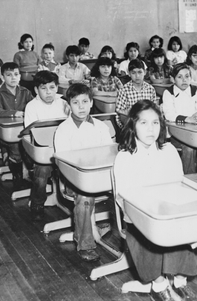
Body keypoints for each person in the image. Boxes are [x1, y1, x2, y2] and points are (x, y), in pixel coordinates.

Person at [113, 100, 197, 301]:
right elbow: (123, 196)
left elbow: (178, 184)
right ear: (133, 125)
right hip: (138, 215)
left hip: (167, 210)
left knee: (182, 228)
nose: (150, 129)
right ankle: (159, 283)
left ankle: (179, 280)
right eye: (143, 123)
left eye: (155, 123)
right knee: (146, 233)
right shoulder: (125, 156)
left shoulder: (168, 150)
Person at [54, 83, 114, 262]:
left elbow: (110, 153)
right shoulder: (64, 130)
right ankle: (85, 244)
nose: (81, 107)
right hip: (74, 180)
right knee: (85, 196)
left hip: (101, 177)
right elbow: (64, 163)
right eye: (75, 103)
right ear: (68, 105)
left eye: (85, 102)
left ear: (91, 103)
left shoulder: (101, 126)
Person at [24, 71, 69, 221]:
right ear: (36, 90)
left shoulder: (63, 102)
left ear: (57, 87)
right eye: (44, 88)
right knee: (41, 172)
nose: (49, 92)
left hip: (64, 148)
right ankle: (37, 203)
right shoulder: (31, 106)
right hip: (43, 150)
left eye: (52, 87)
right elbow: (32, 133)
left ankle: (72, 201)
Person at [0, 62, 33, 191]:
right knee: (15, 145)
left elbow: (34, 106)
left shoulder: (25, 92)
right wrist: (14, 113)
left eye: (16, 74)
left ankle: (30, 174)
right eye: (9, 75)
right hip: (6, 134)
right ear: (2, 77)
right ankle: (17, 178)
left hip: (25, 131)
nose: (13, 77)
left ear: (20, 76)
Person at [162, 63, 197, 175]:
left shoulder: (195, 90)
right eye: (179, 77)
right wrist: (188, 119)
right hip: (176, 134)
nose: (184, 80)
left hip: (196, 131)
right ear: (172, 79)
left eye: (187, 76)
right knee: (189, 147)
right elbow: (169, 115)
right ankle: (189, 176)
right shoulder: (168, 93)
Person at [115, 59, 156, 128]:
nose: (137, 76)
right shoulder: (124, 90)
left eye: (140, 72)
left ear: (145, 72)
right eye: (133, 73)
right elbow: (119, 113)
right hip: (129, 126)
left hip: (147, 125)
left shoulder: (150, 89)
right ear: (129, 73)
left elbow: (153, 110)